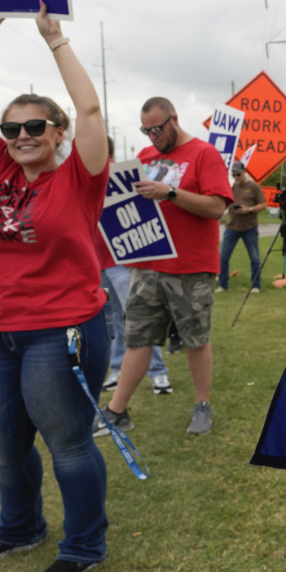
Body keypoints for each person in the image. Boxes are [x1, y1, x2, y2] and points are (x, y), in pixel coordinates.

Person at [0, 0, 110, 572]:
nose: (20, 136)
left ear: (58, 133)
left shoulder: (80, 175)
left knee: (67, 445)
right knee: (4, 444)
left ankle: (85, 545)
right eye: (12, 128)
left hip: (63, 330)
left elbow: (91, 106)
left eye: (34, 127)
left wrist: (54, 39)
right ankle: (19, 528)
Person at [96, 97, 232, 436]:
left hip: (191, 266)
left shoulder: (204, 154)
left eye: (157, 129)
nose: (153, 137)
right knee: (138, 338)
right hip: (146, 265)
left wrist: (169, 192)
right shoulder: (145, 158)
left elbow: (217, 208)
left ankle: (202, 404)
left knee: (195, 339)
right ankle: (117, 411)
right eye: (146, 130)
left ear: (174, 119)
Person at [97, 138, 172, 395]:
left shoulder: (123, 175)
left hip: (122, 261)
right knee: (113, 320)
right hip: (96, 261)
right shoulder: (82, 176)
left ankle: (158, 373)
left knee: (139, 319)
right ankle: (118, 368)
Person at [217, 160, 266, 294]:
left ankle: (256, 286)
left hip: (249, 228)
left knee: (254, 258)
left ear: (244, 172)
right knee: (223, 257)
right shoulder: (231, 186)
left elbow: (263, 205)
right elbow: (224, 203)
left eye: (238, 174)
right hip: (231, 227)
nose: (236, 177)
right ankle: (222, 285)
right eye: (234, 175)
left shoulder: (254, 187)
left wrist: (249, 209)